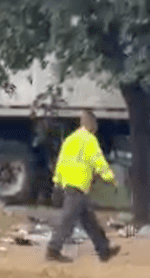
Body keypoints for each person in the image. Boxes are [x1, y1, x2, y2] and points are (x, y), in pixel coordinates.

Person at [46, 110, 122, 264]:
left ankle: (104, 250)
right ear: (91, 124)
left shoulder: (69, 140)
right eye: (95, 125)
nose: (96, 128)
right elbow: (97, 161)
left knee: (89, 220)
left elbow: (61, 163)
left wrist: (57, 182)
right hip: (78, 185)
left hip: (68, 184)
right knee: (68, 219)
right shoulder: (89, 140)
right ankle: (53, 249)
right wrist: (110, 178)